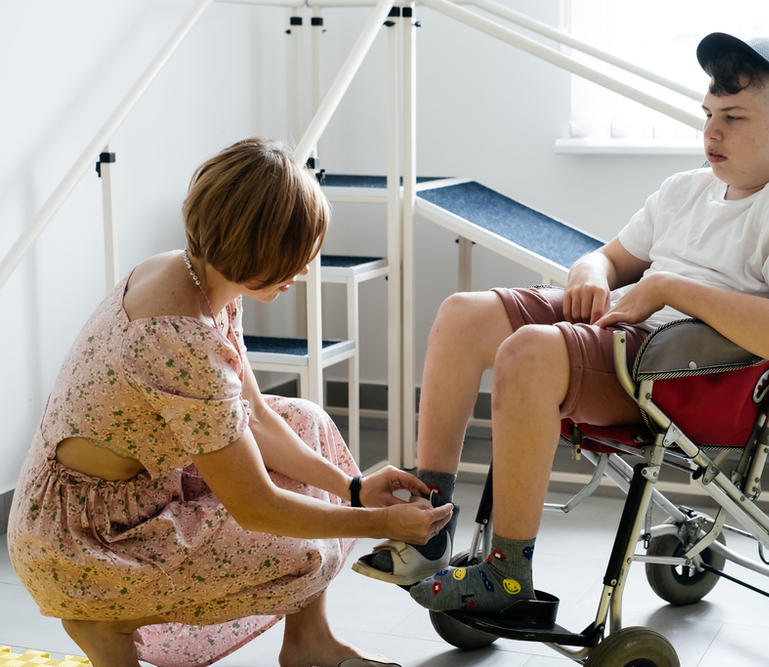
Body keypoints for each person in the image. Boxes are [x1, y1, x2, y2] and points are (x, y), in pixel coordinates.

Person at [352, 33, 769, 616]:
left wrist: (662, 287)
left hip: (681, 371)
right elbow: (609, 258)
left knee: (529, 352)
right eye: (708, 115)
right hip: (628, 333)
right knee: (463, 314)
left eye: (733, 118)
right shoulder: (687, 189)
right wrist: (589, 271)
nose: (711, 133)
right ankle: (430, 521)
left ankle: (508, 574)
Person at [6, 137, 454, 667]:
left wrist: (352, 489)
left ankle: (311, 645)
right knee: (310, 554)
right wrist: (381, 525)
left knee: (303, 421)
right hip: (86, 540)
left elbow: (256, 415)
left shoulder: (196, 276)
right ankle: (104, 617)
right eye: (294, 257)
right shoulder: (178, 336)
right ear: (256, 249)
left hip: (139, 488)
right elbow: (257, 507)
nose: (304, 271)